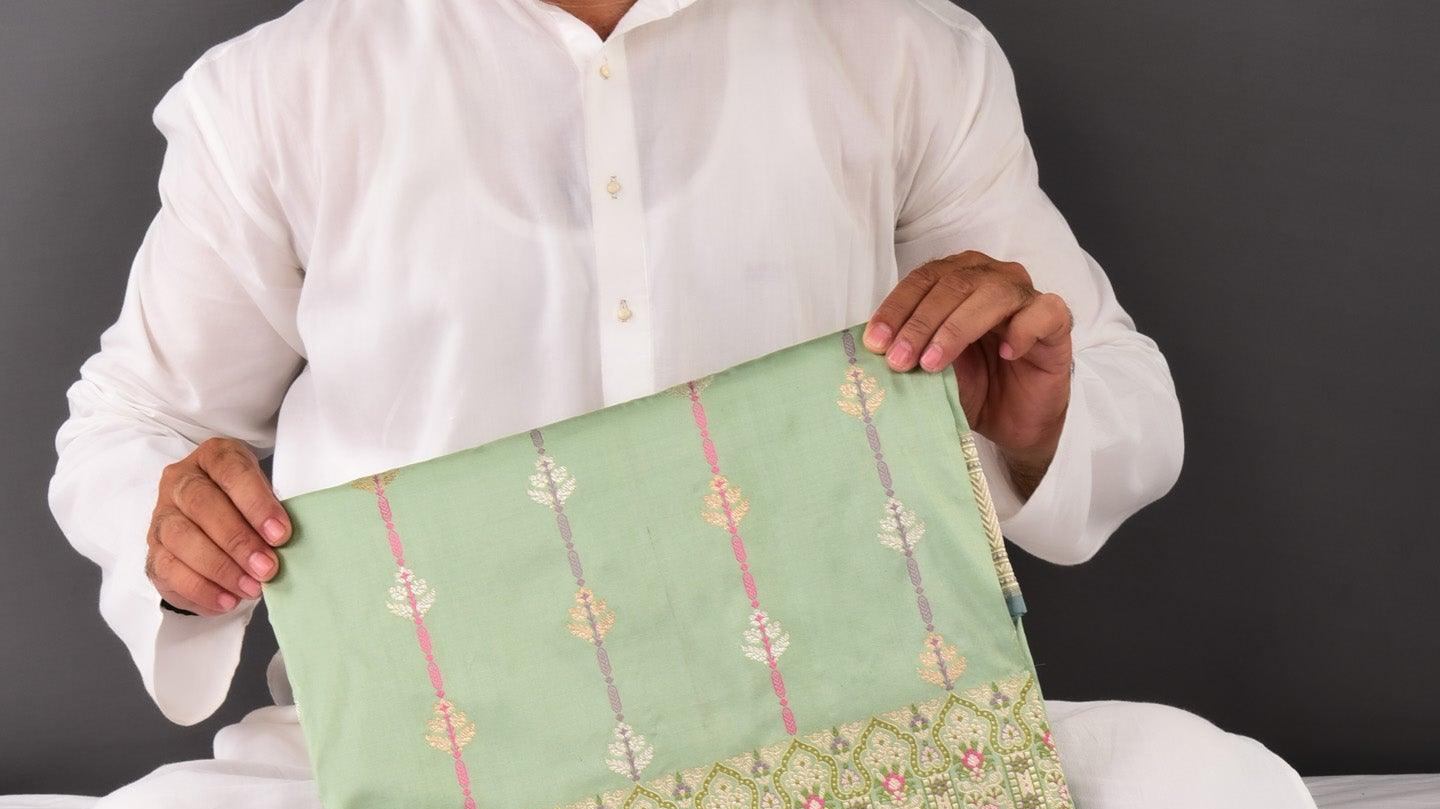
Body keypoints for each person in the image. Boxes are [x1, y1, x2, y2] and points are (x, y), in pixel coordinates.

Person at [49, 0, 1181, 733]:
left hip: (852, 743)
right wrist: (175, 523)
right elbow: (133, 418)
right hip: (417, 773)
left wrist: (1035, 419)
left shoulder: (902, 50)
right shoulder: (281, 89)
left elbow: (1123, 392)